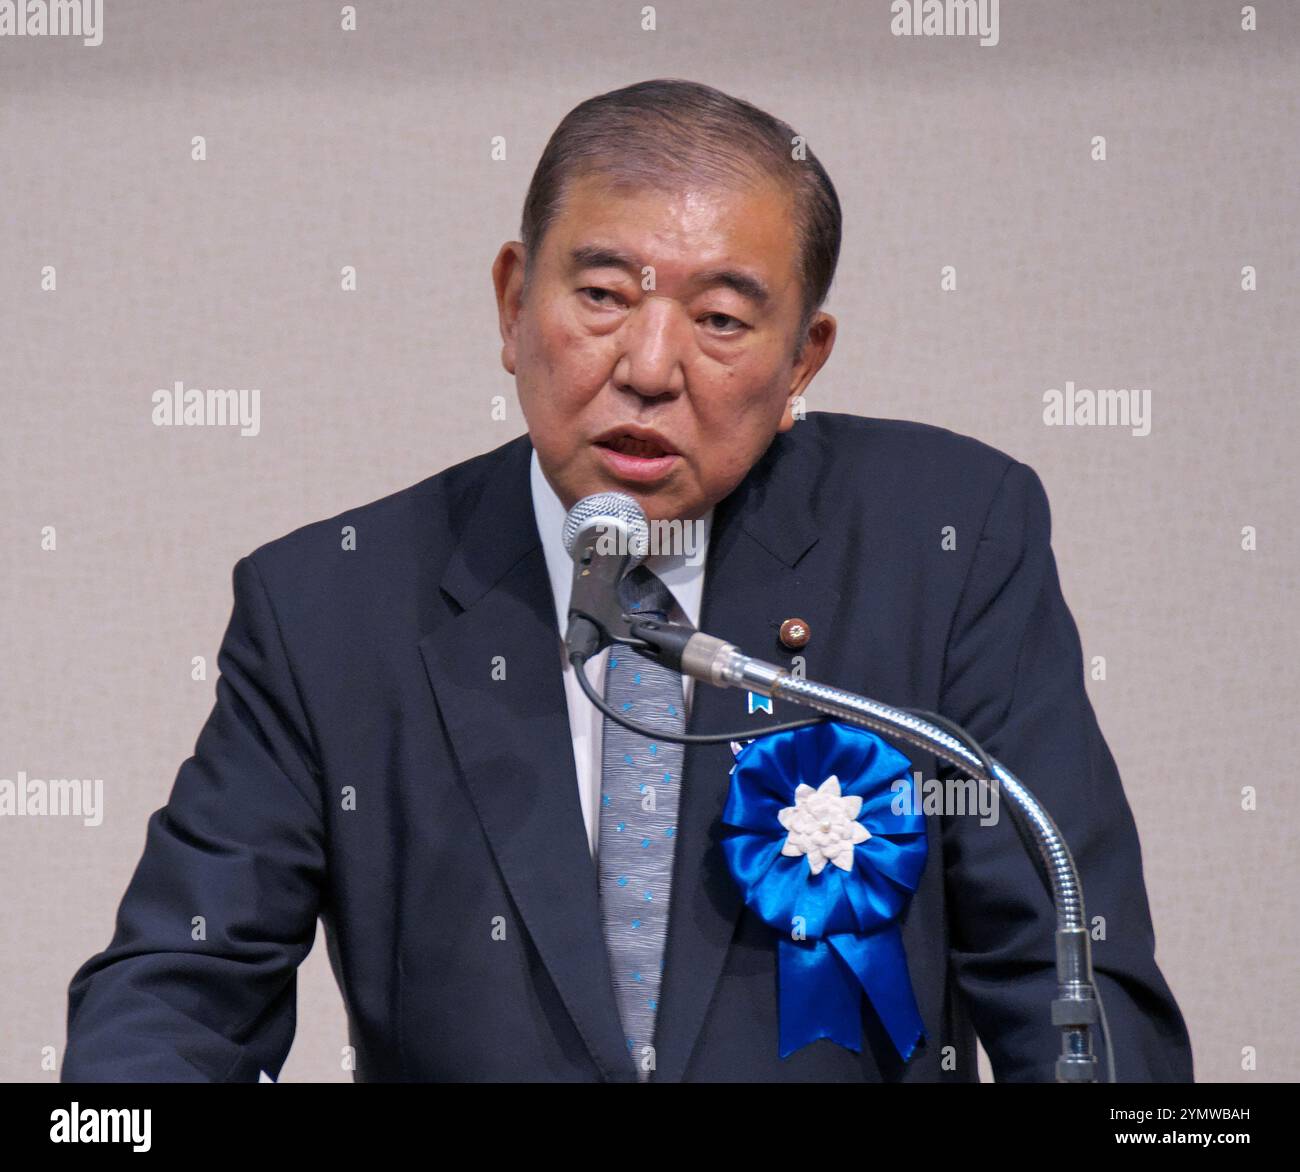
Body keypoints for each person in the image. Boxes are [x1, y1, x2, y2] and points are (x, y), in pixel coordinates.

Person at [62, 78, 1193, 1082]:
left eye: (720, 320)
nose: (649, 369)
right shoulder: (328, 607)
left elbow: (1067, 971)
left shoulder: (943, 542)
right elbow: (177, 988)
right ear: (513, 303)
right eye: (602, 296)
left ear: (803, 357)